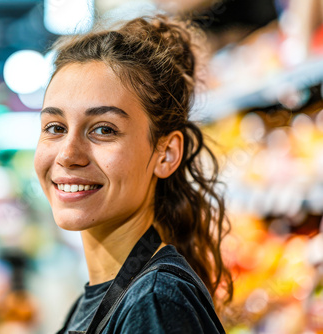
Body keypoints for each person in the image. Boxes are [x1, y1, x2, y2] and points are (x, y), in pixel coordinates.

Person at [34, 13, 233, 334]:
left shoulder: (154, 303)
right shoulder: (109, 295)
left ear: (166, 154)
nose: (68, 154)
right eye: (55, 127)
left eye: (103, 129)